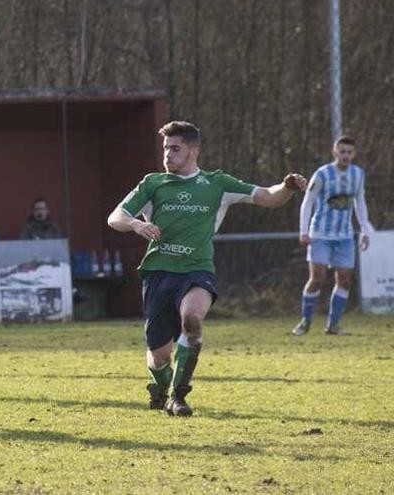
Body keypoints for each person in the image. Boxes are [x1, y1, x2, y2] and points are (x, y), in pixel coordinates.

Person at [107, 121, 306, 417]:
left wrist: (287, 187)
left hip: (197, 270)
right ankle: (160, 384)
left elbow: (268, 196)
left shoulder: (217, 184)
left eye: (175, 149)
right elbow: (116, 216)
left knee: (192, 321)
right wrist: (137, 223)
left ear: (194, 150)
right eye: (165, 149)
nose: (168, 155)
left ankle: (178, 396)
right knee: (159, 357)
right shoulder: (154, 183)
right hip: (158, 272)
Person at [292, 136, 374, 337]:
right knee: (317, 279)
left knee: (345, 280)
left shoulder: (358, 174)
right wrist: (304, 231)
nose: (345, 155)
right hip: (320, 234)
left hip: (344, 236)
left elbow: (359, 203)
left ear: (353, 154)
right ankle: (305, 321)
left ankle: (333, 324)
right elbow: (308, 201)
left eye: (349, 152)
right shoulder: (322, 174)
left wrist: (365, 229)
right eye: (342, 151)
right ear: (335, 152)